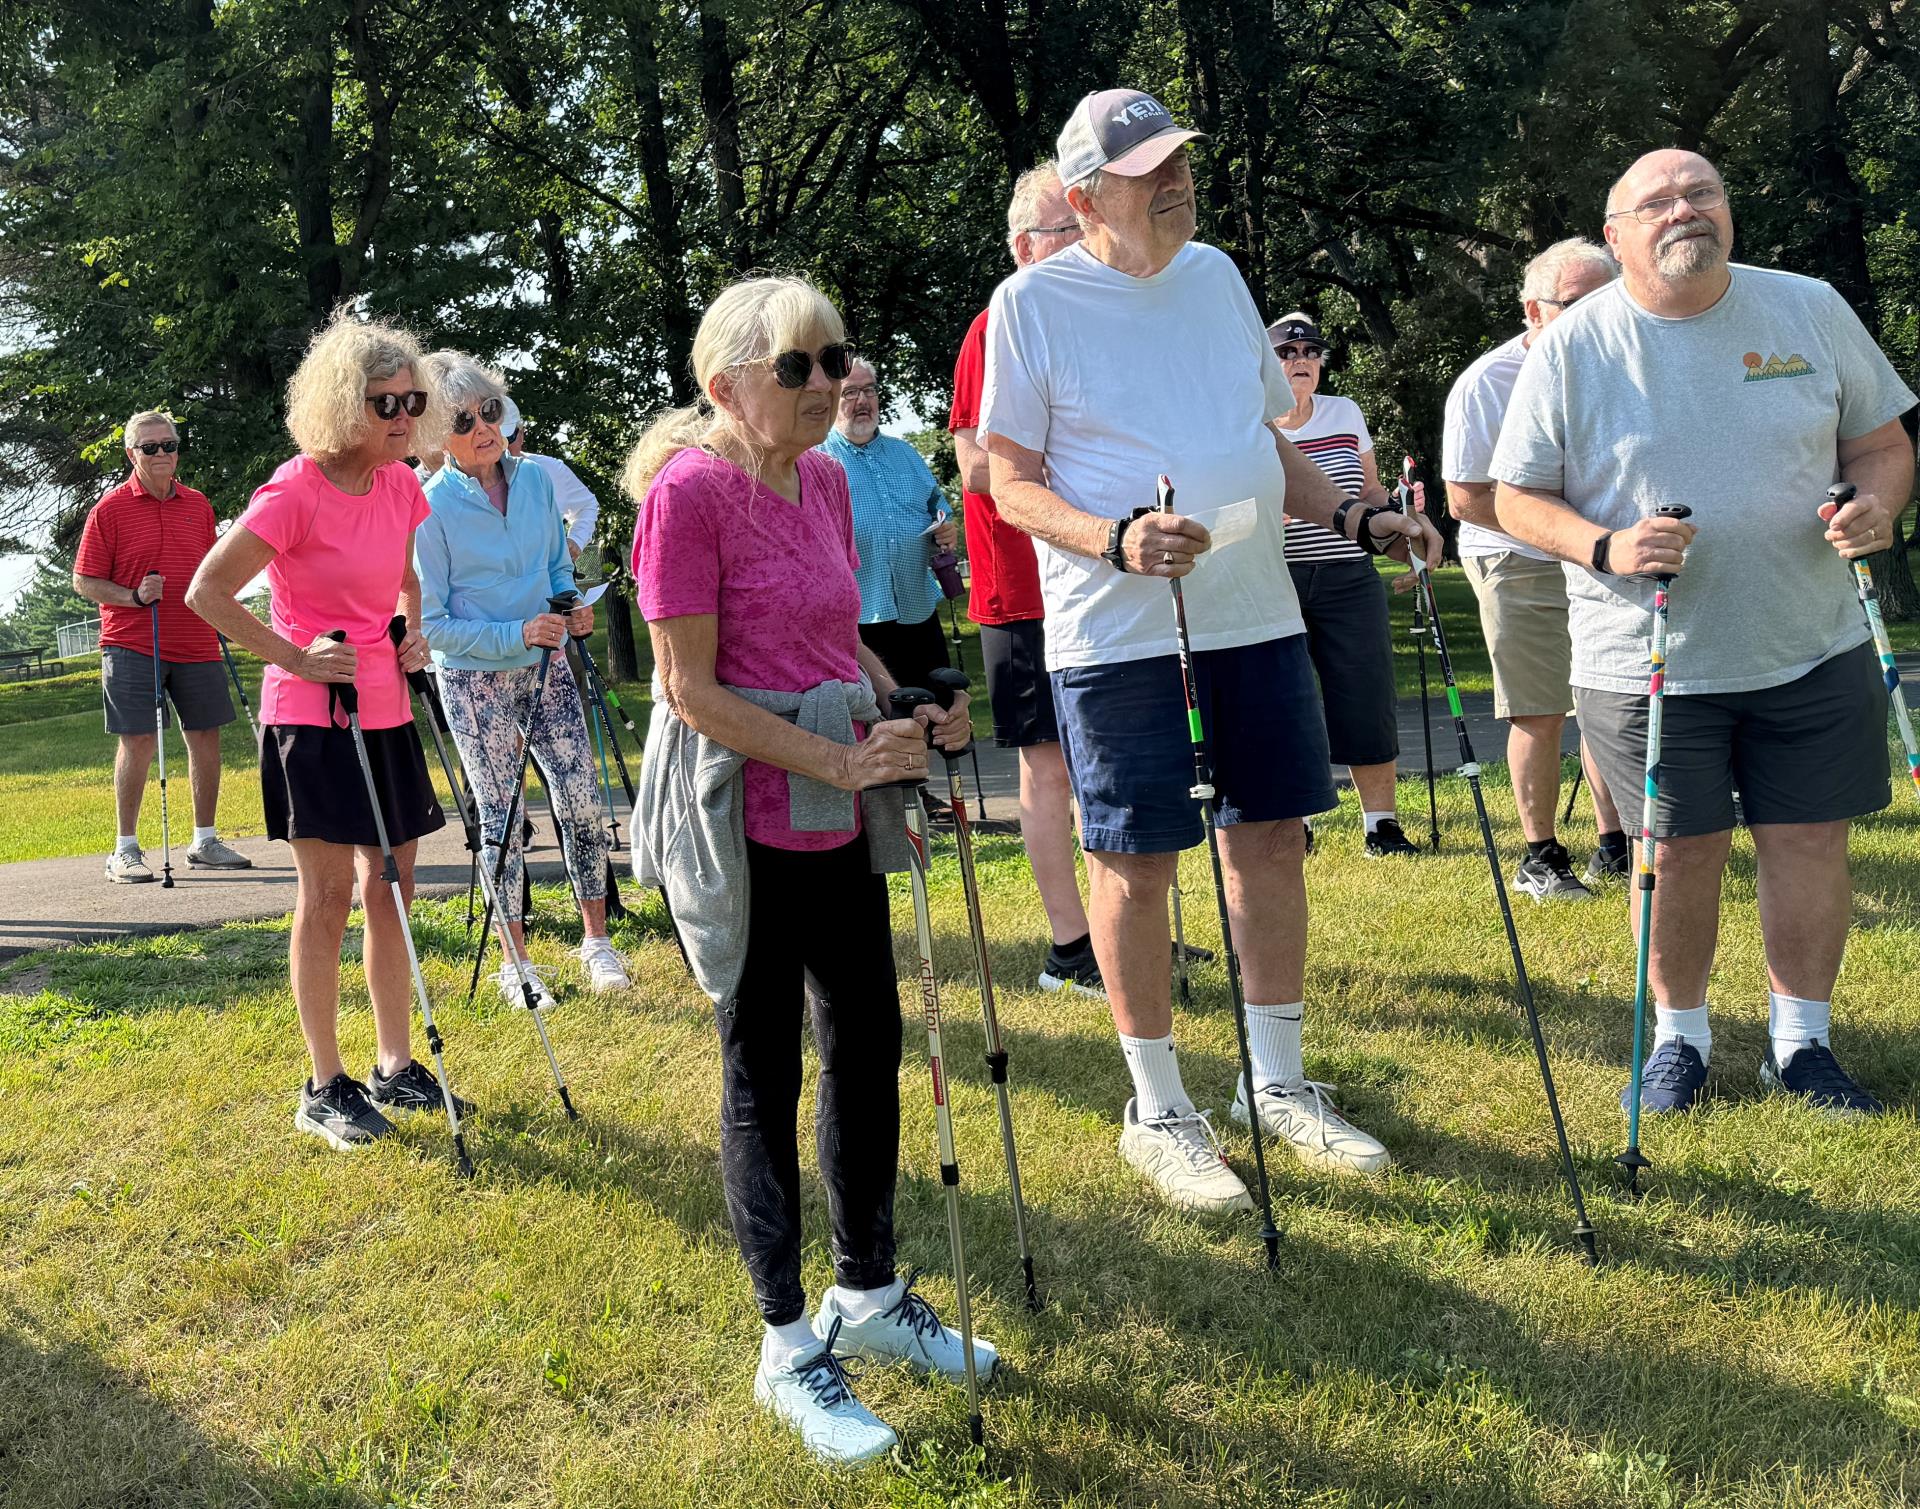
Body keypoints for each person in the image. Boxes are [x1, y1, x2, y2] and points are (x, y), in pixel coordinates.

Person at [982, 88, 1440, 1211]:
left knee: (1272, 839)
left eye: (1180, 160)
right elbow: (1003, 480)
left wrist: (1352, 517)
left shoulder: (1220, 275)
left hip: (1256, 610)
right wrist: (1115, 540)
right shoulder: (1031, 304)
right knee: (1136, 864)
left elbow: (1262, 440)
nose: (1177, 181)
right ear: (1088, 195)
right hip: (1118, 629)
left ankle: (1273, 1084)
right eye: (1150, 170)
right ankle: (1159, 1107)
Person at [625, 274, 994, 1466]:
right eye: (800, 366)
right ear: (725, 384)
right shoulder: (687, 496)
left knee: (870, 1039)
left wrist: (908, 708)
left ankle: (871, 1296)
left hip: (835, 801)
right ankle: (787, 1344)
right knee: (761, 1066)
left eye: (835, 359)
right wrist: (842, 756)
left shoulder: (827, 476)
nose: (828, 382)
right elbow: (690, 691)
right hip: (739, 809)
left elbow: (839, 633)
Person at [1492, 149, 1916, 1116]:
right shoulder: (1574, 344)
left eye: (1704, 193)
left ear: (1730, 211)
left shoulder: (1806, 306)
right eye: (1659, 202)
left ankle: (1800, 1042)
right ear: (1617, 235)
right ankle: (1680, 1038)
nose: (1686, 210)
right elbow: (1514, 496)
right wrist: (1605, 545)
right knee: (1678, 850)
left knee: (1808, 839)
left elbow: (1883, 444)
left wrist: (1879, 507)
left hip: (1809, 636)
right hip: (1650, 657)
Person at [186, 311, 464, 1152]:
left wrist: (411, 629)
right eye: (387, 404)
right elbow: (208, 591)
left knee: (392, 887)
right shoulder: (294, 489)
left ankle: (393, 1063)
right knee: (330, 896)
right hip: (312, 714)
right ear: (346, 405)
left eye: (413, 400)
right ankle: (322, 1084)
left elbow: (407, 578)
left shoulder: (402, 484)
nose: (404, 417)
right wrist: (295, 658)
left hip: (384, 706)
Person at [416, 354, 630, 1004]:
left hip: (549, 669)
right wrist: (516, 634)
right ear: (434, 435)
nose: (483, 426)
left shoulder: (536, 481)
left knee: (583, 802)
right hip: (477, 684)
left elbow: (553, 568)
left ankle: (597, 942)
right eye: (463, 418)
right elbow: (434, 626)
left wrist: (571, 603)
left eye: (490, 411)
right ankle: (518, 963)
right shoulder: (428, 507)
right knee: (503, 820)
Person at [949, 160, 1102, 995]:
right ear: (1022, 247)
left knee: (1106, 756)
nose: (1083, 244)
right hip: (1023, 585)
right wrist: (1072, 483)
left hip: (1099, 579)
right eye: (1065, 232)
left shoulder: (1096, 323)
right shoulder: (995, 326)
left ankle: (1119, 921)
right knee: (1047, 766)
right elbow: (975, 464)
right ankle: (1068, 948)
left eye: (1087, 227)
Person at [1444, 238, 1629, 901]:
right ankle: (1540, 856)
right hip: (1514, 556)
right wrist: (1564, 534)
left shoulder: (1621, 363)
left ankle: (1616, 843)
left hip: (1599, 554)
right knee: (1541, 708)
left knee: (1607, 695)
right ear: (1533, 310)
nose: (1594, 316)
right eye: (1576, 304)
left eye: (1607, 299)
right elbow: (1464, 497)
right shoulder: (1486, 383)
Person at [73, 410, 250, 881]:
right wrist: (131, 596)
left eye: (168, 444)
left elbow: (211, 571)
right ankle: (124, 849)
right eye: (149, 447)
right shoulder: (108, 510)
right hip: (133, 641)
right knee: (139, 741)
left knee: (206, 738)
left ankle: (205, 840)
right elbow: (85, 580)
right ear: (132, 454)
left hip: (195, 638)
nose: (161, 454)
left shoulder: (198, 505)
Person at [1270, 313, 1422, 858]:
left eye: (1310, 351)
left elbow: (1373, 488)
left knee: (1366, 692)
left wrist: (1401, 515)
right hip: (1276, 577)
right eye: (1287, 353)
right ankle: (1297, 818)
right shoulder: (1251, 421)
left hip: (1348, 575)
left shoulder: (1345, 413)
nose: (1300, 360)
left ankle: (1380, 824)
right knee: (1288, 697)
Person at [819, 355, 958, 697]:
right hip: (858, 621)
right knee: (881, 724)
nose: (862, 401)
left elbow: (939, 511)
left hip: (917, 610)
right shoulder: (816, 460)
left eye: (869, 390)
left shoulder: (905, 454)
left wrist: (945, 530)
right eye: (850, 393)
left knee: (936, 716)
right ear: (832, 399)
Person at [502, 398, 599, 562]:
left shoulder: (551, 470)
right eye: (496, 439)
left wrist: (576, 539)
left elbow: (587, 505)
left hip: (548, 582)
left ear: (521, 433)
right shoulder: (466, 484)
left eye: (509, 437)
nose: (503, 447)